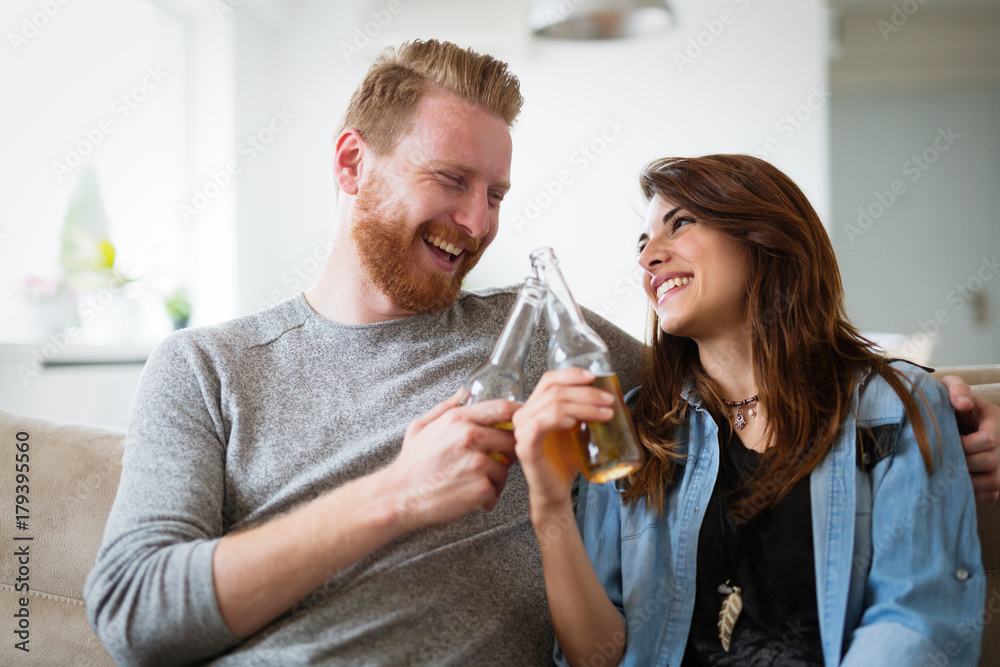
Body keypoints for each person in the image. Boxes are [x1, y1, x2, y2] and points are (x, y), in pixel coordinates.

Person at [84, 39, 998, 665]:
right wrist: (394, 495)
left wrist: (936, 401)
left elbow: (743, 374)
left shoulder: (541, 337)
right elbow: (133, 614)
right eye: (451, 181)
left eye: (497, 193)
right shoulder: (206, 368)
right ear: (352, 163)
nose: (479, 223)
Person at [513, 154, 987, 666]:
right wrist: (550, 503)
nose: (649, 256)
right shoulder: (630, 431)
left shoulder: (897, 405)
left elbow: (916, 621)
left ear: (763, 234)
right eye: (643, 242)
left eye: (681, 223)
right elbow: (598, 657)